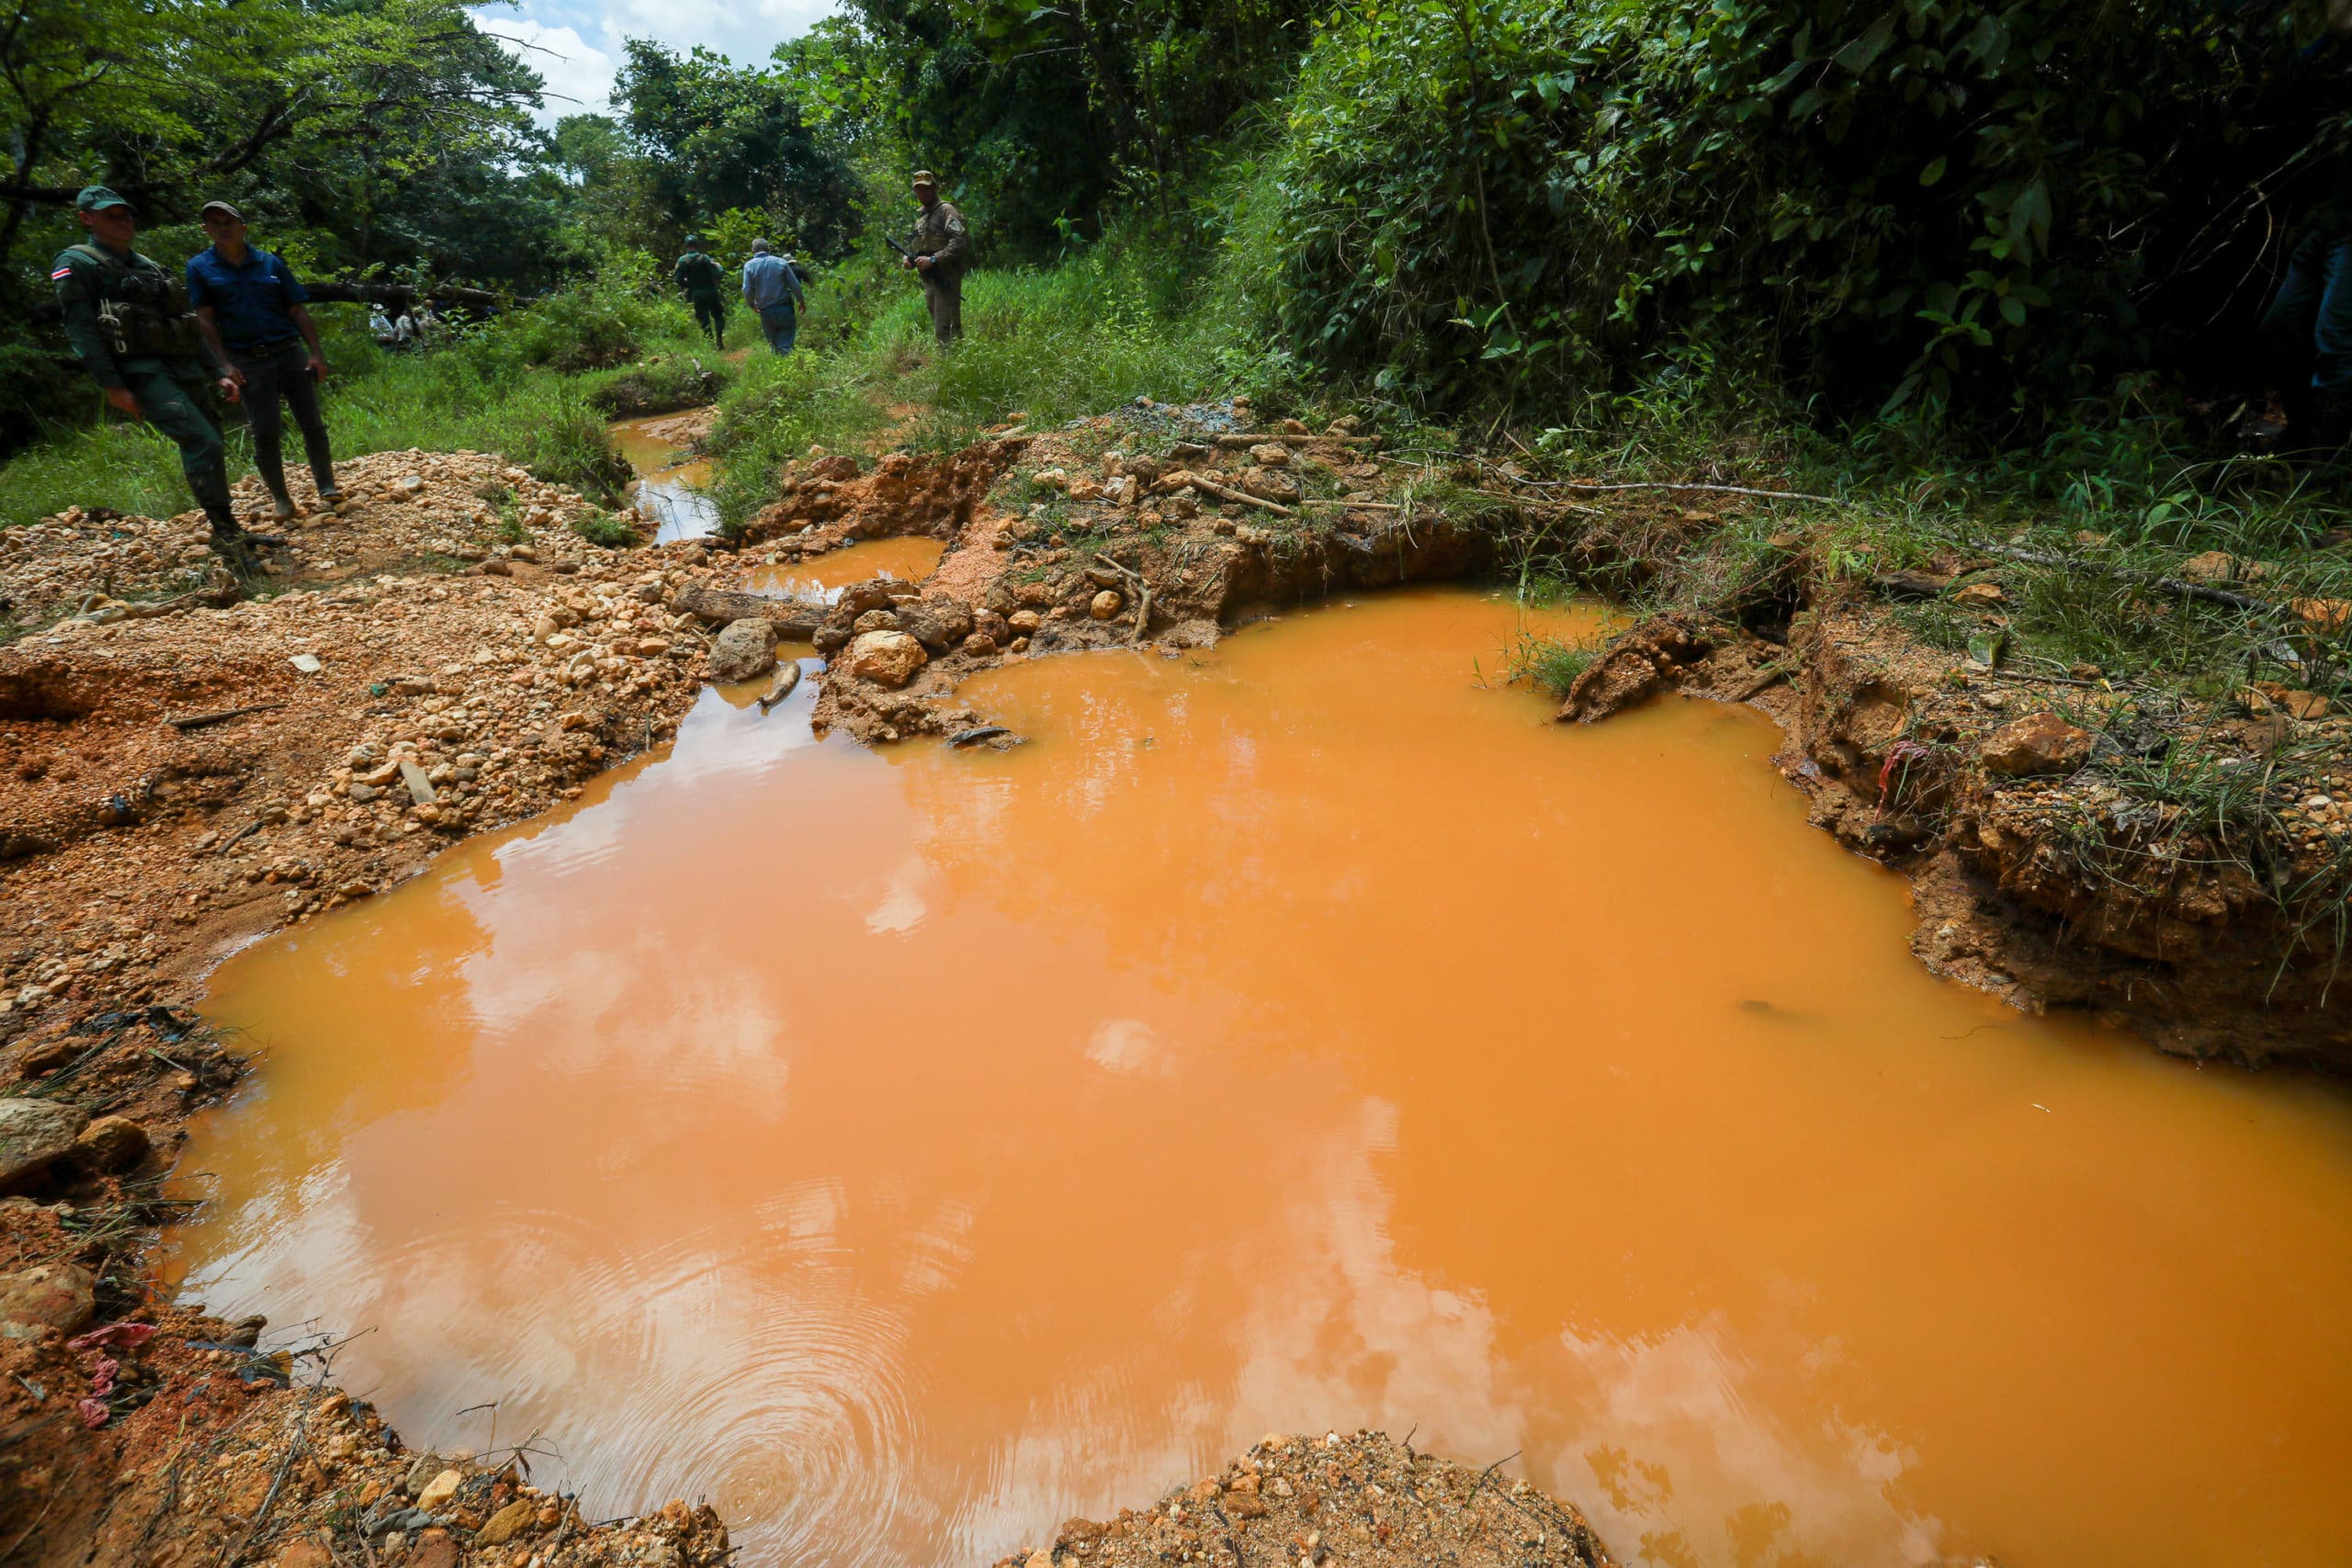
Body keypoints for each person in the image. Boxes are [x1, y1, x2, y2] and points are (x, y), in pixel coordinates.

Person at [50, 185, 266, 574]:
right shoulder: (77, 263)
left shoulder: (148, 264)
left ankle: (228, 528)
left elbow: (184, 322)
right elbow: (80, 330)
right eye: (111, 215)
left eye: (125, 213)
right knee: (202, 441)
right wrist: (113, 386)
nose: (123, 220)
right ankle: (225, 536)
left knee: (210, 440)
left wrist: (216, 372)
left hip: (182, 367)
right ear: (87, 218)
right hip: (141, 372)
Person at [187, 199, 342, 522]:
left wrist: (315, 353)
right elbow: (205, 320)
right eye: (215, 222)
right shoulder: (200, 268)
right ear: (206, 229)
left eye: (228, 221)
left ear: (243, 227)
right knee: (265, 431)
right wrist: (224, 365)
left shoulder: (270, 264)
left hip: (288, 350)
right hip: (248, 359)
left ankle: (326, 485)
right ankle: (282, 499)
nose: (222, 227)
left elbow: (297, 309)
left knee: (311, 422)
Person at [901, 171, 970, 347]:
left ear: (934, 188)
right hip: (931, 278)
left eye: (926, 189)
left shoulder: (946, 211)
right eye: (918, 190)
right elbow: (915, 244)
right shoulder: (922, 218)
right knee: (939, 318)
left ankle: (951, 364)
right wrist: (909, 259)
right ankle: (957, 358)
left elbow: (959, 241)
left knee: (943, 326)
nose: (922, 193)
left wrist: (934, 260)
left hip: (946, 274)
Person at [741, 238, 805, 355]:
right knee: (785, 344)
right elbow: (794, 284)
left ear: (752, 251)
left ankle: (778, 366)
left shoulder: (748, 266)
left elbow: (747, 289)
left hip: (765, 310)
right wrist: (801, 300)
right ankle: (788, 367)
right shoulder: (780, 262)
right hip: (784, 308)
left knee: (773, 344)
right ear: (768, 249)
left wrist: (751, 304)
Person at [673, 233, 728, 347]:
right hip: (711, 292)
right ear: (697, 245)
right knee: (718, 316)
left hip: (696, 294)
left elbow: (678, 280)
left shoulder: (682, 261)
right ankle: (719, 339)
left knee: (704, 319)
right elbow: (718, 273)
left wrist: (688, 285)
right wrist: (719, 266)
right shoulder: (705, 258)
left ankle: (710, 343)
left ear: (686, 246)